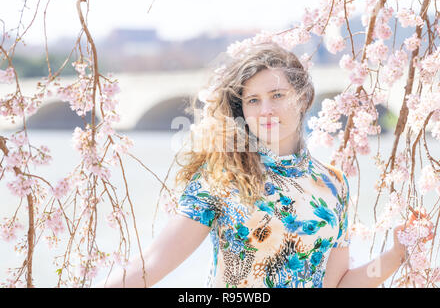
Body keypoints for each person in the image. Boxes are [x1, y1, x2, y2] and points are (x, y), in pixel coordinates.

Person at [99, 42, 413, 288]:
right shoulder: (222, 176)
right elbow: (153, 262)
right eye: (253, 100)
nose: (265, 109)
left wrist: (396, 255)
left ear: (302, 99)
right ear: (242, 110)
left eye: (277, 95)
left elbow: (336, 284)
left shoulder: (333, 183)